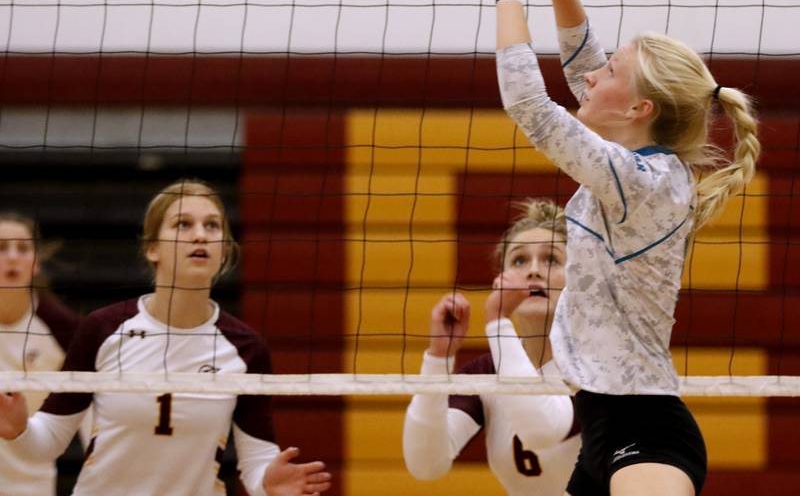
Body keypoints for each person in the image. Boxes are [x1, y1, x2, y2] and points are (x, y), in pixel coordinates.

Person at [493, 0, 760, 496]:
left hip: (647, 434)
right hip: (605, 430)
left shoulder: (642, 180)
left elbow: (531, 109)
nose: (592, 78)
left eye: (612, 71)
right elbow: (584, 67)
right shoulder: (643, 163)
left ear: (639, 110)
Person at [0, 180, 332, 496]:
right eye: (183, 225)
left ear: (224, 250)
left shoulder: (246, 348)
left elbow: (257, 461)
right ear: (153, 249)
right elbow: (48, 441)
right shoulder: (102, 329)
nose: (200, 235)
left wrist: (267, 484)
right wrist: (19, 430)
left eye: (212, 226)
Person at [403, 198, 580, 495]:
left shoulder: (600, 367)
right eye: (519, 261)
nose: (533, 271)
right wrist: (438, 358)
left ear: (578, 278)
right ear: (501, 278)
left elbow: (540, 430)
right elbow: (425, 464)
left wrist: (498, 323)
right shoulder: (486, 372)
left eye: (551, 259)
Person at [0, 213, 81, 496]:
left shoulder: (62, 327)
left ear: (35, 263)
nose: (12, 257)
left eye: (22, 248)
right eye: (1, 247)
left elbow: (94, 405)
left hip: (32, 485)